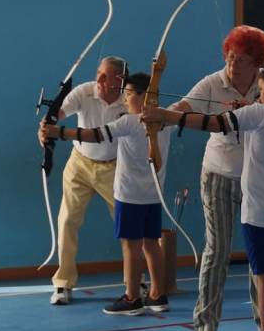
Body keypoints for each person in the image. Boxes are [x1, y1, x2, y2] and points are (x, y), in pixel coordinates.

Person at [144, 60, 264, 331]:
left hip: (262, 210)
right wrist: (247, 108)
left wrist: (163, 115)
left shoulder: (258, 113)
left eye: (262, 88)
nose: (259, 93)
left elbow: (213, 123)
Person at [41, 72, 172, 314]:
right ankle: (158, 295)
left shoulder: (128, 122)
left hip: (130, 195)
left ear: (145, 96)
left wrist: (59, 133)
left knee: (131, 246)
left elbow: (94, 134)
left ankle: (132, 298)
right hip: (153, 196)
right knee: (151, 244)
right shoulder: (166, 121)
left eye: (130, 93)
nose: (125, 98)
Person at [39, 56, 127, 305]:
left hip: (113, 167)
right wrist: (46, 127)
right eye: (98, 73)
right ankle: (62, 283)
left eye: (105, 75)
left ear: (119, 80)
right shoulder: (84, 92)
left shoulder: (127, 100)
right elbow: (59, 113)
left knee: (126, 224)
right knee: (67, 220)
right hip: (79, 164)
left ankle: (134, 281)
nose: (98, 79)